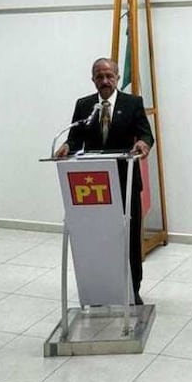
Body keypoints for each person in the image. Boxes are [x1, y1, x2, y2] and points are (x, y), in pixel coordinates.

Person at [55, 58, 153, 303]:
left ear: (118, 77)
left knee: (128, 239)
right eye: (100, 76)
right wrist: (67, 145)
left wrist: (142, 142)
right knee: (98, 238)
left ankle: (133, 291)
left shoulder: (133, 103)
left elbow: (145, 134)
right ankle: (100, 287)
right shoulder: (85, 105)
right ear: (93, 80)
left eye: (110, 76)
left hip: (125, 182)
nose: (105, 81)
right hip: (93, 186)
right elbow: (76, 137)